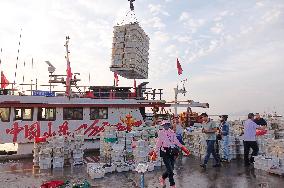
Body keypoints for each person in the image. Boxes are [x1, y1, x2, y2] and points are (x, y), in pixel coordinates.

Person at [153, 120, 189, 188]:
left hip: (172, 152)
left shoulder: (172, 132)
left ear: (169, 125)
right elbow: (158, 143)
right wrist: (155, 153)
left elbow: (176, 141)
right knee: (170, 171)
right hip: (164, 152)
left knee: (171, 168)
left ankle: (162, 178)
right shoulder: (161, 133)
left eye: (167, 124)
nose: (166, 126)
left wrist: (183, 148)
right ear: (163, 126)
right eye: (164, 125)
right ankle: (173, 185)